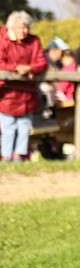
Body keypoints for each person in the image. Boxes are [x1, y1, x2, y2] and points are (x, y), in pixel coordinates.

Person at [0, 11, 49, 162]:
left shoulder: (34, 41)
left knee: (24, 127)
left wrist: (30, 68)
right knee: (8, 128)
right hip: (7, 94)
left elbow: (42, 62)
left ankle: (19, 155)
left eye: (25, 27)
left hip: (27, 94)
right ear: (12, 28)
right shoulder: (3, 41)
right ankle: (6, 155)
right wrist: (16, 68)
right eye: (19, 27)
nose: (23, 31)